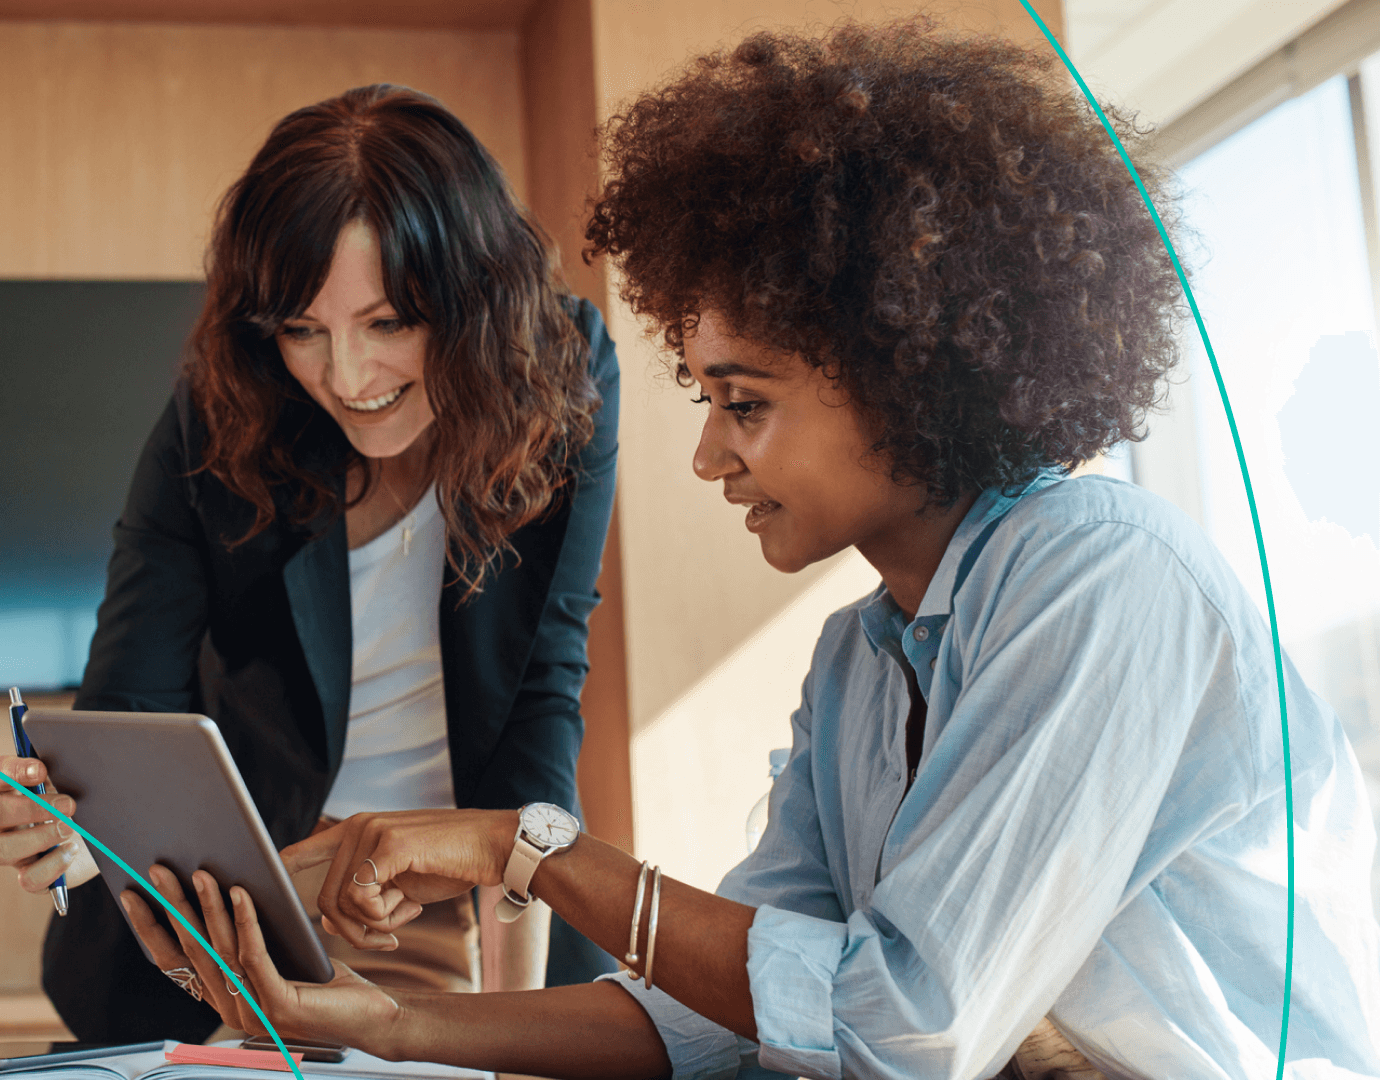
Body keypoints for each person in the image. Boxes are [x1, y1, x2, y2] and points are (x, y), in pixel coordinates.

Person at [116, 21, 1380, 1079]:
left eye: (746, 403)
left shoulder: (1101, 580)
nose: (709, 457)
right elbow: (716, 1016)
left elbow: (904, 1023)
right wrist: (394, 1030)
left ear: (904, 375)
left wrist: (527, 849)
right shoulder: (860, 666)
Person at [0, 84, 620, 1044]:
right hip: (242, 916)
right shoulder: (221, 409)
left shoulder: (561, 376)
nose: (347, 380)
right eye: (303, 331)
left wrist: (515, 1012)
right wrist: (73, 826)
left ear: (477, 299)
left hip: (475, 901)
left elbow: (542, 691)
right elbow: (130, 708)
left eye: (390, 323)